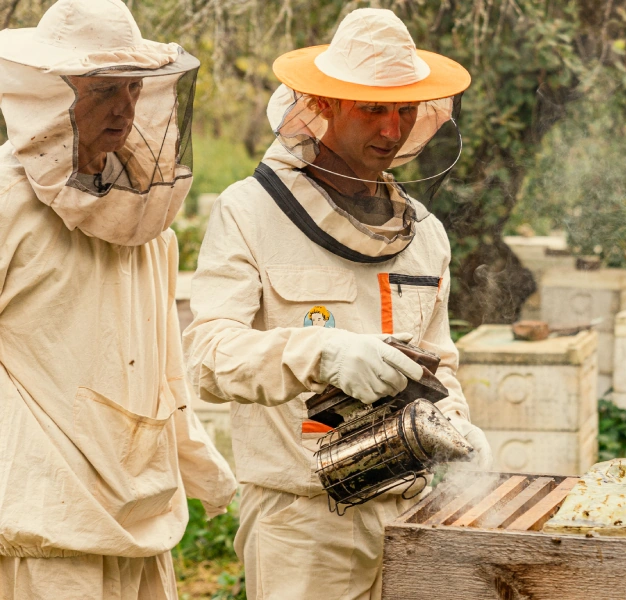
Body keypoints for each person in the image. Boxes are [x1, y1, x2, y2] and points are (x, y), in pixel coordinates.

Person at [183, 8, 489, 600]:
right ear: (321, 105)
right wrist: (320, 352)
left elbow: (439, 363)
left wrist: (459, 423)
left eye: (404, 109)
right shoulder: (249, 212)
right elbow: (207, 357)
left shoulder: (425, 232)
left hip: (412, 512)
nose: (391, 129)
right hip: (303, 523)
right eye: (372, 108)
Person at [0, 0, 238, 598]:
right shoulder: (6, 201)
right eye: (104, 88)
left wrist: (197, 461)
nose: (126, 107)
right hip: (43, 525)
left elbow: (163, 362)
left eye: (134, 87)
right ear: (52, 92)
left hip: (143, 512)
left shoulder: (145, 217)